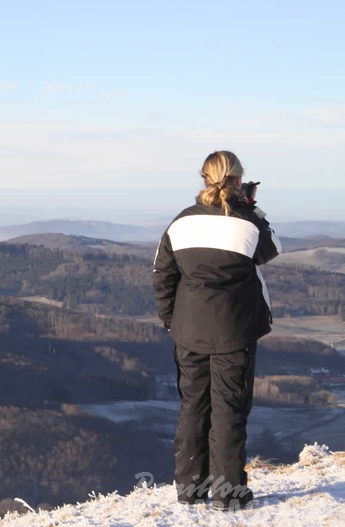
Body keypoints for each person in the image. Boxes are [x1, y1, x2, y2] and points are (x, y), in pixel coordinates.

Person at [152, 150, 282, 511]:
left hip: (188, 329)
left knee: (192, 406)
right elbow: (270, 250)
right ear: (238, 181)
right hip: (234, 331)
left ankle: (190, 492)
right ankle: (229, 495)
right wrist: (251, 207)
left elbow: (162, 275)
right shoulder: (247, 222)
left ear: (205, 178)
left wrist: (171, 319)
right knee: (229, 411)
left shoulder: (180, 223)